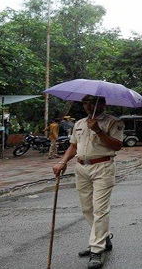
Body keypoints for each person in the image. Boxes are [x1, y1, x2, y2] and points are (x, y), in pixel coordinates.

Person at [52, 95, 124, 269]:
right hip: (81, 167)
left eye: (92, 102)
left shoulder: (113, 122)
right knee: (87, 208)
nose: (88, 106)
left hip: (103, 166)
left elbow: (117, 145)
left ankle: (97, 250)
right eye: (85, 102)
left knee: (100, 209)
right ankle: (103, 237)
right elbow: (73, 146)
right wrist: (63, 162)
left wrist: (98, 130)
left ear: (103, 103)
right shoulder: (79, 123)